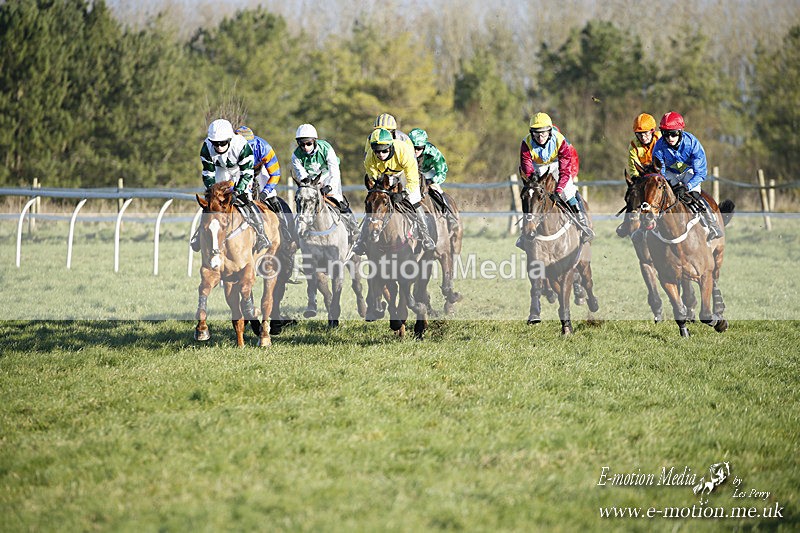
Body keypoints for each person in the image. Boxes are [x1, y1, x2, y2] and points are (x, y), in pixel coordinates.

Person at [353, 127, 435, 255]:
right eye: (377, 151)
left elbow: (412, 180)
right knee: (375, 203)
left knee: (414, 200)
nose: (381, 154)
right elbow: (372, 175)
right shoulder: (370, 156)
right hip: (384, 174)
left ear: (390, 147)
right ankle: (361, 240)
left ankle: (426, 237)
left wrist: (404, 193)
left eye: (384, 150)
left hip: (403, 172)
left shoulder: (404, 152)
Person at [192, 118, 269, 253]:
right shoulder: (206, 148)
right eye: (216, 143)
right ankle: (199, 234)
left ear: (230, 139)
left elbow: (247, 174)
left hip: (240, 169)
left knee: (246, 199)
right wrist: (212, 193)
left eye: (223, 143)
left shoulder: (242, 146)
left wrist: (237, 192)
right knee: (212, 203)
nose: (219, 147)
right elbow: (208, 173)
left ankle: (261, 233)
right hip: (221, 169)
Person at [519, 112, 595, 244]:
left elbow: (565, 170)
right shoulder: (526, 143)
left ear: (550, 131)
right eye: (536, 133)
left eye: (543, 132)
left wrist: (559, 190)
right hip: (538, 167)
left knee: (568, 190)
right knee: (531, 193)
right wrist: (534, 182)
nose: (540, 136)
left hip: (557, 165)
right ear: (531, 133)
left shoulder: (560, 141)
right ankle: (525, 230)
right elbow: (527, 168)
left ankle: (583, 224)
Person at [651, 111, 722, 241]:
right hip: (670, 173)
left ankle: (713, 225)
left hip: (690, 173)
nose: (669, 138)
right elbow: (660, 172)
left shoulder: (693, 144)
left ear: (681, 132)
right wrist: (669, 184)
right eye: (666, 134)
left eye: (673, 134)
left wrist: (687, 186)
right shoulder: (659, 147)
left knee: (695, 195)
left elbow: (700, 173)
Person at [290, 123, 359, 240]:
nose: (305, 147)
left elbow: (334, 171)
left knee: (338, 200)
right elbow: (303, 176)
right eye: (302, 144)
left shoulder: (326, 148)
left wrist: (330, 187)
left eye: (308, 143)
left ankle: (354, 229)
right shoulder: (295, 156)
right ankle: (295, 238)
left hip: (328, 176)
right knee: (304, 203)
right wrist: (311, 187)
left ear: (314, 141)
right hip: (311, 180)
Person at [235, 125, 298, 249]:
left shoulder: (264, 148)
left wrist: (265, 192)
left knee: (271, 195)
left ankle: (286, 231)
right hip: (238, 170)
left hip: (259, 171)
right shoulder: (231, 148)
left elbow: (275, 174)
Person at [408, 127, 458, 230]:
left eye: (419, 148)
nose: (416, 151)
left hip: (428, 172)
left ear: (424, 146)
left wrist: (431, 180)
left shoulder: (433, 152)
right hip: (411, 173)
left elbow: (442, 171)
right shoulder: (405, 150)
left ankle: (449, 215)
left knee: (436, 189)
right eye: (413, 147)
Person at [628, 113, 661, 179]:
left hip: (663, 173)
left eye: (646, 133)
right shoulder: (633, 146)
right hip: (644, 176)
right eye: (639, 134)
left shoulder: (661, 139)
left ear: (652, 131)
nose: (643, 137)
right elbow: (634, 170)